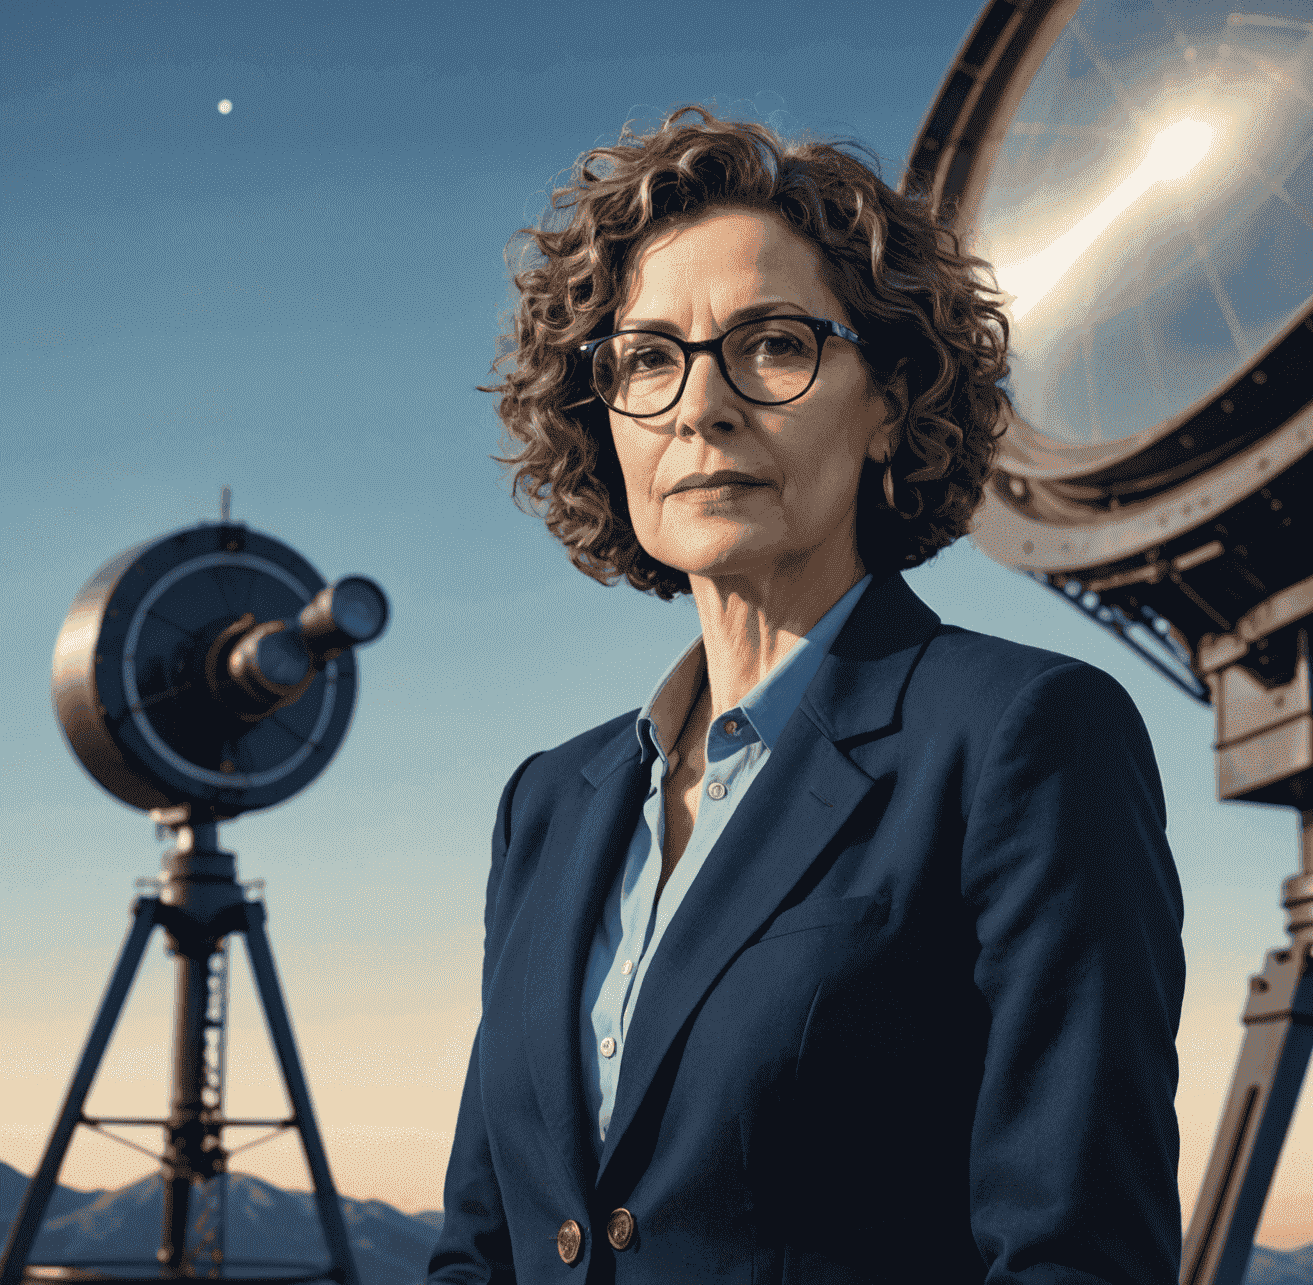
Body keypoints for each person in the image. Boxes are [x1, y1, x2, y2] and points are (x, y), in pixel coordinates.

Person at [429, 107, 1184, 1285]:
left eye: (774, 345)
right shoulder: (549, 805)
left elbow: (1075, 1251)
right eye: (645, 359)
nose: (700, 404)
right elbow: (483, 1242)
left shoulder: (1021, 739)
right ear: (603, 422)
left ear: (888, 400)